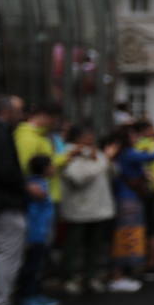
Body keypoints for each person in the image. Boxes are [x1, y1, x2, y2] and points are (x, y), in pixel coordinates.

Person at [58, 125, 119, 296]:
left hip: (100, 208)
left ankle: (91, 277)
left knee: (95, 247)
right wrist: (104, 160)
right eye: (87, 136)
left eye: (91, 135)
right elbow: (78, 178)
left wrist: (107, 161)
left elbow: (111, 172)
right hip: (79, 210)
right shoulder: (70, 154)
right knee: (74, 246)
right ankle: (69, 278)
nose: (90, 139)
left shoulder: (96, 154)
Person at [108, 124, 154, 292]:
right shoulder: (128, 153)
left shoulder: (123, 153)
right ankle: (118, 275)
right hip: (129, 199)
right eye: (134, 135)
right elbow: (153, 156)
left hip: (127, 197)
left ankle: (122, 274)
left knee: (127, 235)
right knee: (127, 235)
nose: (137, 138)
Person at [0, 94, 27, 305]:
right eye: (19, 111)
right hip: (1, 202)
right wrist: (23, 188)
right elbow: (6, 170)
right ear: (7, 112)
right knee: (7, 250)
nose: (21, 116)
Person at [19, 154, 61, 305]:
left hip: (44, 232)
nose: (53, 168)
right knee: (32, 266)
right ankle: (27, 296)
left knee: (38, 266)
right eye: (51, 166)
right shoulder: (33, 186)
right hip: (35, 233)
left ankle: (37, 293)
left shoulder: (43, 183)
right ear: (44, 168)